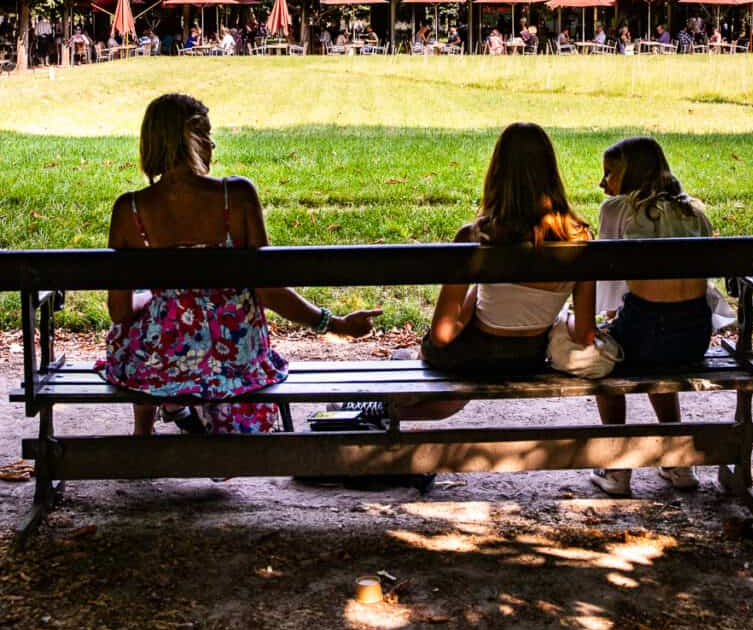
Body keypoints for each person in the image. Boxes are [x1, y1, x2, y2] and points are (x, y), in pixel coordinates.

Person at [105, 93, 380, 437]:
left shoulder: (129, 210)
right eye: (205, 133)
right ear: (189, 137)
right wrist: (335, 324)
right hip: (234, 357)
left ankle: (144, 431)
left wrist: (150, 300)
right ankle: (185, 413)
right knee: (173, 322)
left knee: (139, 324)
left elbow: (119, 312)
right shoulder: (235, 197)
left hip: (165, 360)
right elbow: (269, 291)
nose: (213, 144)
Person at [407, 123, 595, 420]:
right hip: (529, 358)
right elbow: (585, 333)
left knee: (436, 361)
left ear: (497, 172)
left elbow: (442, 335)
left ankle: (382, 411)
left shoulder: (476, 237)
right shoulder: (581, 239)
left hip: (473, 359)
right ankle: (383, 410)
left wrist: (473, 296)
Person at [590, 136, 714, 497]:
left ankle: (616, 469)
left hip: (644, 334)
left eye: (609, 173)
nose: (603, 183)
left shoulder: (618, 208)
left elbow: (609, 288)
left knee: (605, 361)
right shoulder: (694, 211)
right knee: (662, 367)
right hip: (694, 336)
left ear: (632, 173)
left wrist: (605, 322)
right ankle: (679, 463)